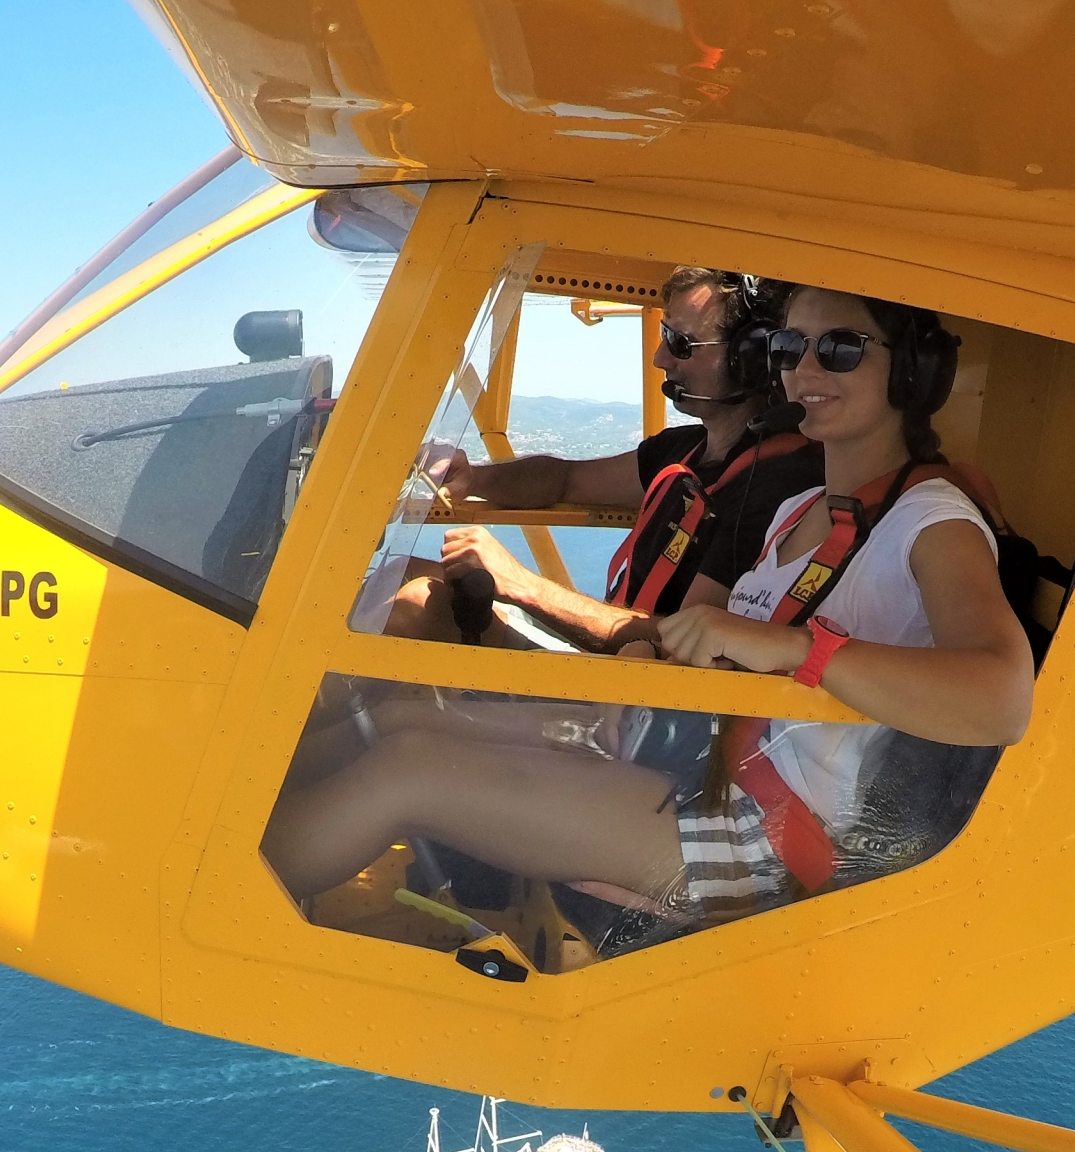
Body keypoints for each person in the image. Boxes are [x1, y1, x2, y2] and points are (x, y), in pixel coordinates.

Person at [262, 286, 1034, 925]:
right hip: (702, 763)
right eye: (788, 349)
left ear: (913, 376)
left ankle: (204, 894)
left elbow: (1002, 700)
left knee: (407, 770)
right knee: (395, 721)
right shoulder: (799, 508)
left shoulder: (932, 520)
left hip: (768, 835)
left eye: (839, 349)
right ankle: (224, 824)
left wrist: (802, 650)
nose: (804, 370)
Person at [381, 267, 826, 653]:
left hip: (642, 694)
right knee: (398, 576)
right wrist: (475, 477)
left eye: (681, 343)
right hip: (611, 649)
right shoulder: (684, 450)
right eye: (663, 336)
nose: (660, 358)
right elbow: (563, 480)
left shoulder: (776, 486)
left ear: (751, 359)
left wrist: (520, 583)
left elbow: (688, 644)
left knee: (416, 607)